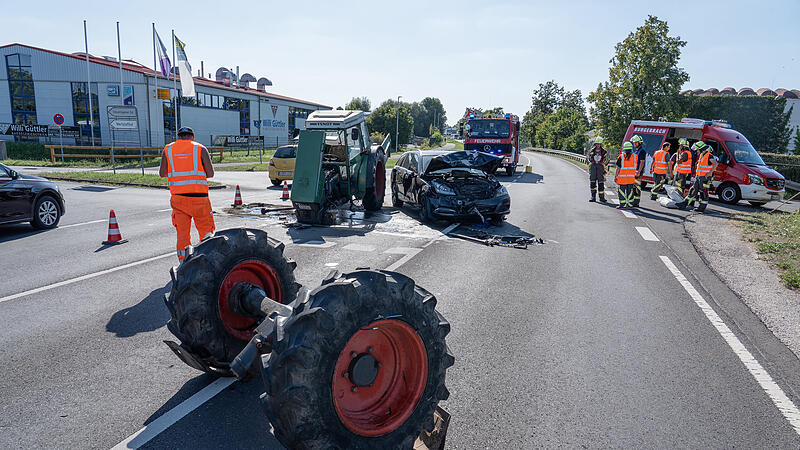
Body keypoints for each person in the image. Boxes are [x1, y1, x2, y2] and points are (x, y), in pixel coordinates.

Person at [159, 126, 216, 261]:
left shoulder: (168, 149)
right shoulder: (200, 149)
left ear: (178, 137)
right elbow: (210, 173)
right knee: (206, 232)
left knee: (183, 234)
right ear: (193, 136)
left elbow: (162, 173)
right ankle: (208, 259)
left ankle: (183, 262)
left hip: (178, 199)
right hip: (199, 199)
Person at [677, 141, 717, 212]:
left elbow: (715, 164)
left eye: (697, 150)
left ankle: (701, 208)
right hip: (699, 177)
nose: (697, 151)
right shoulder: (702, 154)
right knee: (693, 190)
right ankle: (684, 204)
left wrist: (709, 173)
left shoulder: (709, 155)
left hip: (705, 178)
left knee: (703, 193)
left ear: (701, 149)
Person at [615, 141, 637, 209]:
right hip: (631, 179)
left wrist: (616, 176)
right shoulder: (635, 157)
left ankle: (622, 205)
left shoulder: (621, 157)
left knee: (621, 192)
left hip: (622, 179)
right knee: (630, 192)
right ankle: (630, 205)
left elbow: (618, 168)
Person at [587, 136, 609, 202]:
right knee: (592, 182)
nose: (598, 145)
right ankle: (593, 197)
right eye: (597, 144)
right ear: (595, 144)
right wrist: (591, 162)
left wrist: (603, 165)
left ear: (601, 144)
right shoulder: (591, 151)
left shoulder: (604, 152)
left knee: (601, 183)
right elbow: (587, 159)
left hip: (600, 168)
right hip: (593, 167)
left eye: (599, 144)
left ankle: (601, 198)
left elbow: (607, 160)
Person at [630, 134, 647, 207]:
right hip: (635, 171)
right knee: (634, 187)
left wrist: (639, 172)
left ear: (640, 143)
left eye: (635, 143)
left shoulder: (642, 151)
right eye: (634, 143)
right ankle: (634, 201)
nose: (634, 144)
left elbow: (642, 162)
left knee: (637, 187)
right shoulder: (637, 151)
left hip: (638, 172)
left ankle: (636, 202)